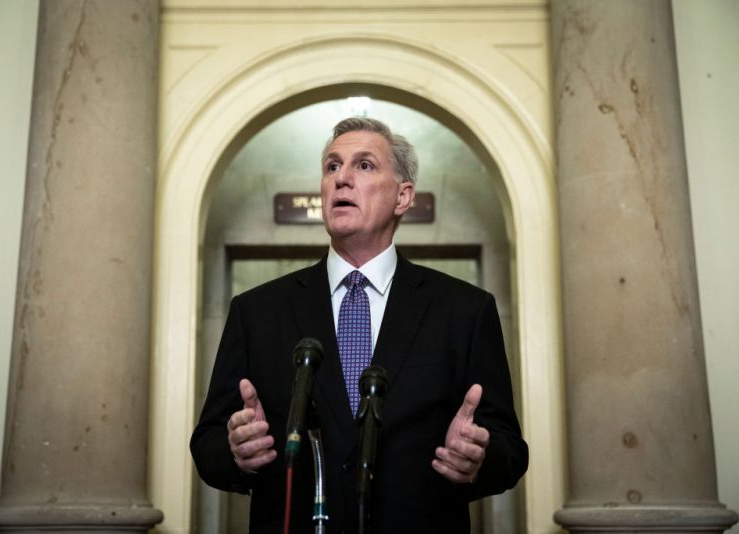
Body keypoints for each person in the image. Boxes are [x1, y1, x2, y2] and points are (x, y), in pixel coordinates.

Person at [191, 117, 528, 533]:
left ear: (403, 196)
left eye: (364, 165)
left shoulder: (464, 311)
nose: (342, 179)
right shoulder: (258, 311)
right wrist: (235, 452)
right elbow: (207, 445)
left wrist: (479, 459)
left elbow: (510, 451)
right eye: (332, 167)